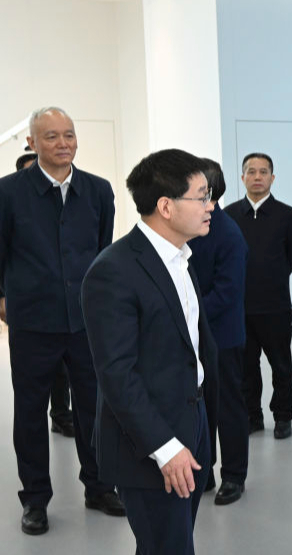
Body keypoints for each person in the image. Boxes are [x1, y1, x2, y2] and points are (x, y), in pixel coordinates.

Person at [81, 148, 219, 554]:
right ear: (166, 207)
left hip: (192, 420)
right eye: (201, 196)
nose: (211, 206)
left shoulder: (181, 258)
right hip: (150, 442)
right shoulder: (114, 271)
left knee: (173, 541)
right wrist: (166, 447)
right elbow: (117, 375)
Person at [0, 107, 124, 535]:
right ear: (32, 143)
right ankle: (35, 499)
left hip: (86, 321)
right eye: (51, 136)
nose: (63, 143)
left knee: (94, 407)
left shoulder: (98, 190)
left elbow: (103, 252)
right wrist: (3, 299)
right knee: (30, 413)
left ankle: (99, 486)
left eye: (68, 134)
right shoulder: (8, 192)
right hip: (33, 322)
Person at [224, 153, 292, 439]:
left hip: (275, 305)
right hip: (240, 307)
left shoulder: (287, 216)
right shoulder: (229, 216)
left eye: (263, 172)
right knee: (246, 366)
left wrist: (272, 278)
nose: (257, 177)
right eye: (251, 171)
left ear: (272, 177)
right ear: (242, 177)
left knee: (281, 364)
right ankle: (252, 415)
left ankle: (283, 416)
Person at [188, 158, 249, 505]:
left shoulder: (228, 234)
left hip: (222, 336)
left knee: (228, 407)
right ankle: (205, 471)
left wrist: (187, 314)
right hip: (194, 335)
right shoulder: (190, 228)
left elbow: (227, 292)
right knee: (201, 407)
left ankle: (234, 475)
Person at [13, 152, 74, 439]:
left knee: (65, 372)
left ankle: (60, 415)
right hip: (32, 312)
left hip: (71, 310)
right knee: (31, 395)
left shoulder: (81, 198)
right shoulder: (11, 199)